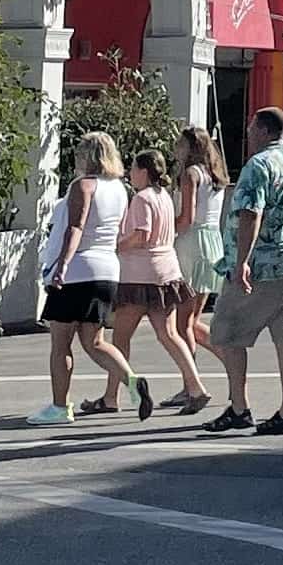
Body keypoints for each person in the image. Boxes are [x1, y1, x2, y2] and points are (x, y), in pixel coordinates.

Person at [204, 107, 283, 435]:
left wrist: (242, 262)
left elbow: (251, 213)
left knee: (227, 328)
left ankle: (239, 407)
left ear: (265, 131)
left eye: (252, 127)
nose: (249, 133)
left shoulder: (259, 165)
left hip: (263, 265)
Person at [27, 131, 144, 428]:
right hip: (107, 270)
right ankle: (131, 380)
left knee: (61, 343)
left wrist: (61, 266)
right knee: (94, 341)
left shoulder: (83, 185)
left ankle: (59, 406)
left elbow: (75, 228)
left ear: (87, 155)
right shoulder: (120, 189)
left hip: (78, 269)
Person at [91, 149, 207, 417]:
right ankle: (195, 387)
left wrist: (117, 246)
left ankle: (112, 396)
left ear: (144, 171)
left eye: (133, 168)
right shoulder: (163, 195)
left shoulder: (142, 198)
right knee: (169, 334)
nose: (130, 173)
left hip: (139, 276)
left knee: (120, 338)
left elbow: (142, 235)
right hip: (166, 272)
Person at [171, 126, 228, 354]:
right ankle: (228, 358)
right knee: (193, 320)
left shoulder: (190, 174)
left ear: (191, 147)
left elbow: (187, 218)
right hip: (212, 242)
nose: (177, 147)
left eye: (181, 144)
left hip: (192, 243)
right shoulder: (215, 175)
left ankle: (190, 373)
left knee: (182, 323)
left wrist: (166, 229)